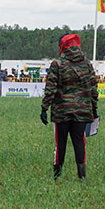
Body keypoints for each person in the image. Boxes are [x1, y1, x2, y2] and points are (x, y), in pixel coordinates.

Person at [41, 33, 98, 180]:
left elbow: (51, 89)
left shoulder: (57, 64)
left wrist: (44, 108)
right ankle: (82, 176)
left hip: (61, 111)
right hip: (83, 110)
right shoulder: (87, 64)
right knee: (80, 141)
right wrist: (94, 108)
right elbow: (93, 89)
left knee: (61, 143)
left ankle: (57, 176)